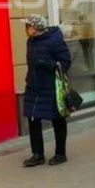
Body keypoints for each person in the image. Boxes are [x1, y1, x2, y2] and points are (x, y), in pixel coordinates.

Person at [22, 14, 72, 167]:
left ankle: (60, 154)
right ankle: (37, 154)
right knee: (32, 119)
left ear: (36, 28)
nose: (26, 28)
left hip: (52, 87)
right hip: (33, 87)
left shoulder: (54, 40)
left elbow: (66, 62)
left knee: (57, 119)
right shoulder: (30, 42)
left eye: (28, 26)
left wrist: (49, 65)